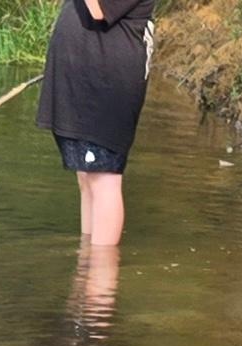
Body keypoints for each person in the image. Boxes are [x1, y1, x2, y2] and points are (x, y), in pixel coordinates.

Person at [41, 0, 153, 256]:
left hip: (108, 84)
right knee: (87, 176)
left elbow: (98, 9)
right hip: (85, 80)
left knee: (103, 179)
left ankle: (100, 282)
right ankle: (87, 267)